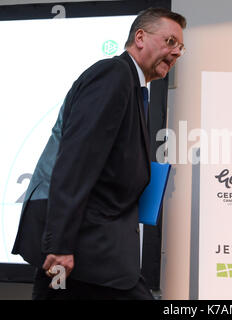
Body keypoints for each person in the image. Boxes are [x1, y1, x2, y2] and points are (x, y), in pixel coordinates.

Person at [11, 7, 186, 300]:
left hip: (99, 250)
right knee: (56, 290)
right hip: (82, 247)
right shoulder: (113, 75)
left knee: (55, 293)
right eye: (170, 42)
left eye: (181, 47)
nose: (177, 52)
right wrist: (60, 245)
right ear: (140, 37)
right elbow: (76, 160)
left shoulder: (133, 85)